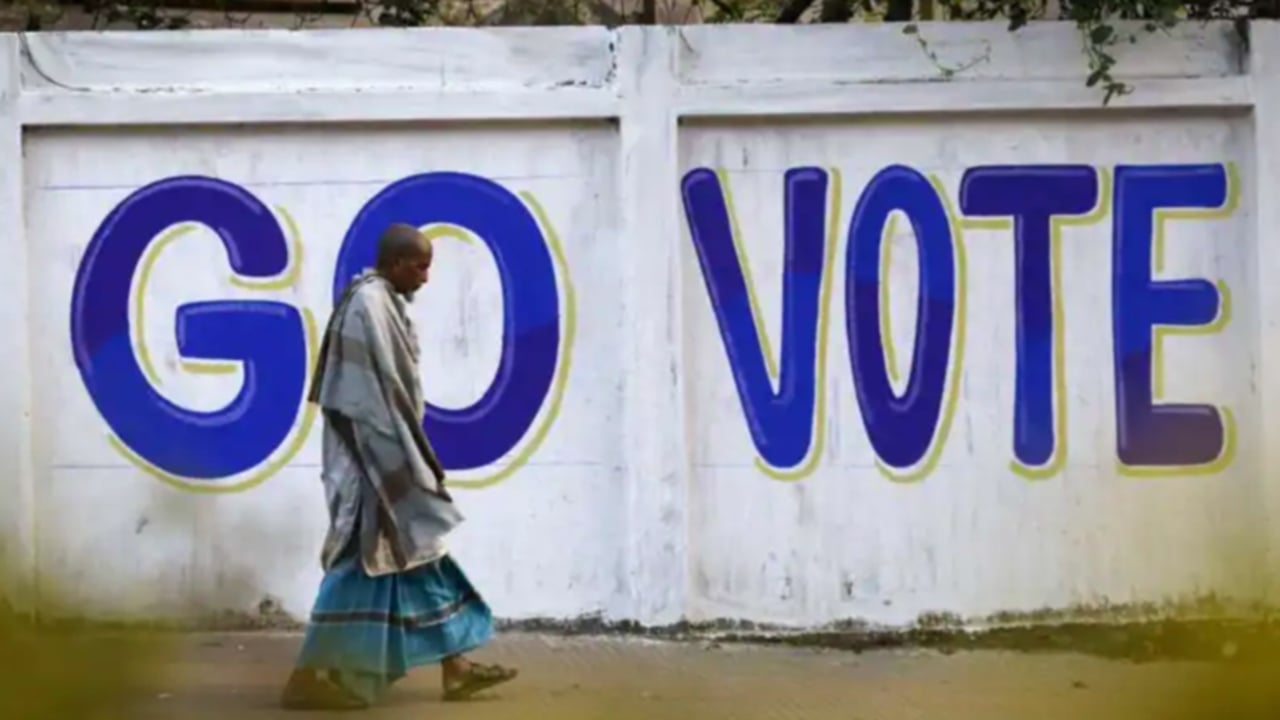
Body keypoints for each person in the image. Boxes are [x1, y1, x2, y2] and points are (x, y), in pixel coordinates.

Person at [280, 223, 517, 710]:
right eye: (421, 266)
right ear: (395, 264)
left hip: (389, 456)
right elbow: (354, 399)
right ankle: (305, 677)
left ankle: (456, 668)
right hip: (370, 462)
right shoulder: (367, 306)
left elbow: (391, 393)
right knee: (356, 562)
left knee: (420, 552)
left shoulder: (383, 304)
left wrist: (410, 454)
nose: (427, 278)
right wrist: (386, 462)